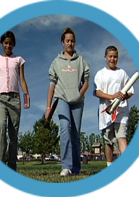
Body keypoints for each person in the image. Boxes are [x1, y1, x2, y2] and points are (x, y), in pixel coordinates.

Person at [0, 31, 30, 171]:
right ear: (2, 44)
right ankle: (0, 164)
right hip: (1, 99)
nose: (8, 45)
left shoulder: (19, 59)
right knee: (1, 126)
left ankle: (12, 167)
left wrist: (26, 94)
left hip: (15, 99)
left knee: (13, 134)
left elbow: (22, 79)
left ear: (14, 44)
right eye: (6, 43)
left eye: (10, 43)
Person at [46, 27, 90, 176]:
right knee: (65, 128)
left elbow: (86, 81)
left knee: (75, 134)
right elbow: (52, 85)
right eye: (67, 41)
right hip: (62, 98)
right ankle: (66, 166)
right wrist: (48, 107)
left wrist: (80, 94)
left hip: (77, 101)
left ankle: (76, 169)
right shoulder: (56, 62)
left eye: (72, 41)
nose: (70, 43)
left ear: (74, 42)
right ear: (62, 42)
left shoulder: (81, 61)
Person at [94, 45, 134, 166]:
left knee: (122, 137)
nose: (113, 59)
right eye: (110, 56)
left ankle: (127, 165)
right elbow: (98, 92)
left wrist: (124, 96)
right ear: (105, 57)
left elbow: (130, 90)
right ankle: (109, 165)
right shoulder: (100, 74)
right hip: (106, 113)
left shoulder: (122, 73)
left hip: (121, 112)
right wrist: (112, 97)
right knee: (109, 141)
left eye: (115, 57)